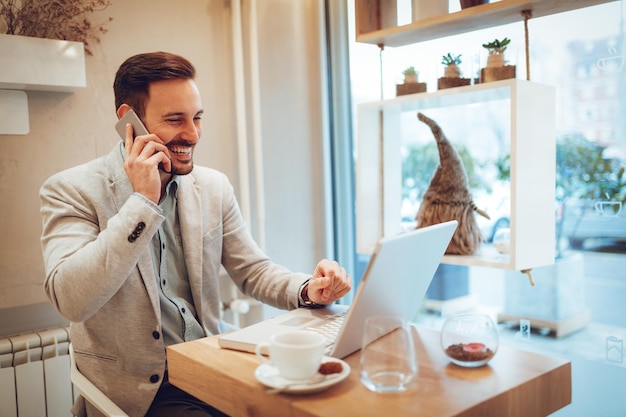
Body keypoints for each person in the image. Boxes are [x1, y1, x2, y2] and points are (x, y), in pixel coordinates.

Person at [39, 51, 352, 417]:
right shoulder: (70, 189)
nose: (192, 134)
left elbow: (253, 271)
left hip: (212, 366)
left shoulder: (213, 186)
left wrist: (307, 290)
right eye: (175, 120)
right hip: (144, 392)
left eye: (197, 118)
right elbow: (70, 299)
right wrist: (142, 202)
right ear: (129, 120)